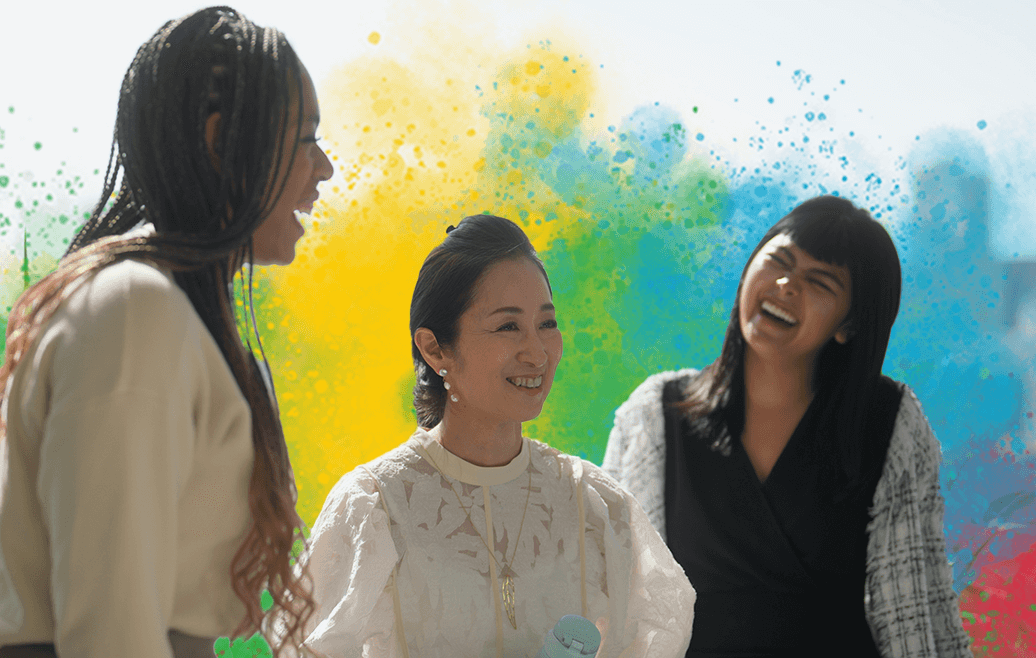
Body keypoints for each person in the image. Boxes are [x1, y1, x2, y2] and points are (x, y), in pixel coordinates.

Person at [0, 7, 335, 658]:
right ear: (218, 139)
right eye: (306, 138)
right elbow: (108, 631)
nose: (324, 168)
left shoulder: (155, 309)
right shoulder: (135, 313)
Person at [296, 215, 694, 658]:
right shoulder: (374, 506)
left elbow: (654, 634)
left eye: (547, 324)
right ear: (435, 348)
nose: (537, 352)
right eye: (508, 327)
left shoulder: (592, 504)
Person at [601, 196, 974, 657]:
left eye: (819, 282)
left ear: (849, 324)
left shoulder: (889, 423)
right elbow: (613, 596)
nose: (785, 285)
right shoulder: (655, 415)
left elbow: (915, 611)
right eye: (779, 261)